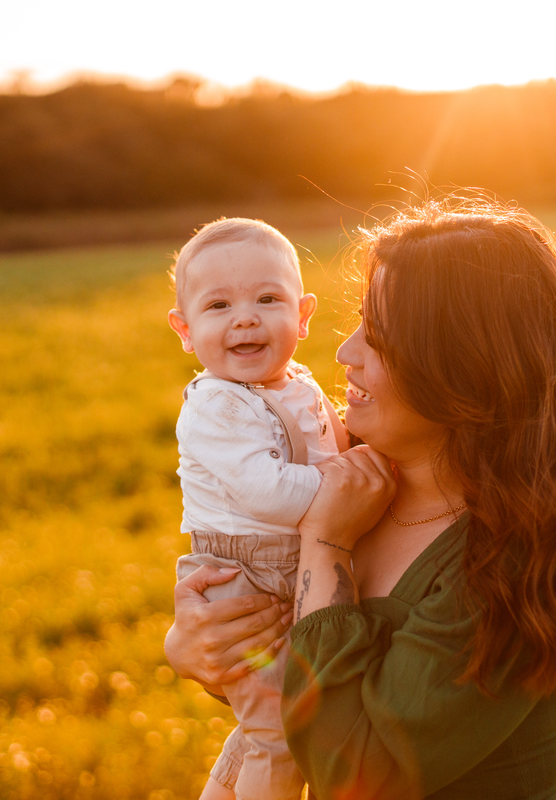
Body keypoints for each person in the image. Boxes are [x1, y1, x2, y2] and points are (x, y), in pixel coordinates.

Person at [166, 199, 556, 799]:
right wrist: (194, 648)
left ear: (464, 365)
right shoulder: (351, 469)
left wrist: (326, 543)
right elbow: (287, 685)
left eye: (382, 336)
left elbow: (354, 773)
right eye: (360, 321)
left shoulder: (513, 557)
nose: (345, 352)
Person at [167, 218, 348, 800]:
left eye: (267, 299)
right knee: (278, 727)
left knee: (268, 718)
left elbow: (337, 444)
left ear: (303, 315)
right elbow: (267, 492)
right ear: (185, 330)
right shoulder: (214, 406)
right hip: (240, 575)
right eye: (218, 305)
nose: (245, 317)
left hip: (282, 566)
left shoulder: (299, 383)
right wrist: (343, 488)